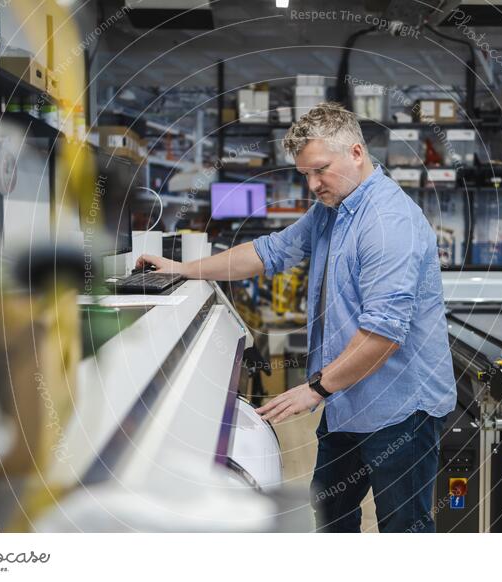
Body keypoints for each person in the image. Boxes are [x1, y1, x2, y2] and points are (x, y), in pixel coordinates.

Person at [136, 102, 456, 533]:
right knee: (330, 519)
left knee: (402, 532)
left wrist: (315, 389)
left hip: (399, 411)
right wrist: (184, 270)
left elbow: (383, 334)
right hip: (347, 400)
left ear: (357, 153)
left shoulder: (386, 223)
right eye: (304, 174)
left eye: (320, 170)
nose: (312, 184)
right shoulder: (332, 208)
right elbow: (269, 252)